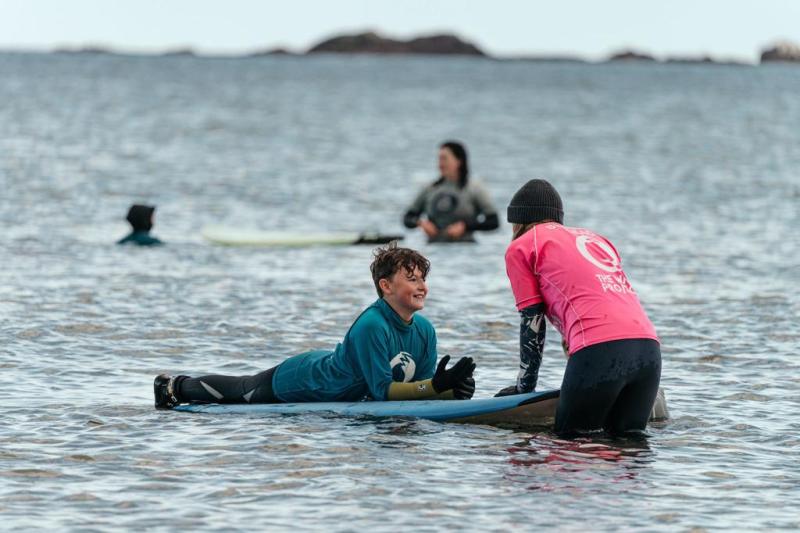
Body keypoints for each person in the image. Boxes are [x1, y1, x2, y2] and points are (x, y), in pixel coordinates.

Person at [154, 243, 476, 408]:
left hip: (343, 383)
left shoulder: (425, 332)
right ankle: (174, 387)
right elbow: (384, 393)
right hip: (306, 380)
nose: (421, 286)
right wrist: (436, 387)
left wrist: (452, 392)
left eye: (423, 278)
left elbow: (418, 394)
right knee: (242, 392)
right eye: (411, 278)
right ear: (386, 286)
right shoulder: (372, 325)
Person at [496, 179, 661, 437]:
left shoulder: (522, 246)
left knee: (572, 446)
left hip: (600, 352)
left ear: (519, 222)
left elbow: (533, 324)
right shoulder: (596, 240)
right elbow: (593, 305)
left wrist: (524, 388)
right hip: (649, 352)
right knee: (629, 452)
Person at [403, 141, 498, 243]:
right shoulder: (430, 189)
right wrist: (421, 223)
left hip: (466, 247)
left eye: (444, 159)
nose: (440, 164)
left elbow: (493, 221)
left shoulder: (474, 188)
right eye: (439, 159)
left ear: (459, 161)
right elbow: (408, 218)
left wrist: (466, 227)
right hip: (434, 246)